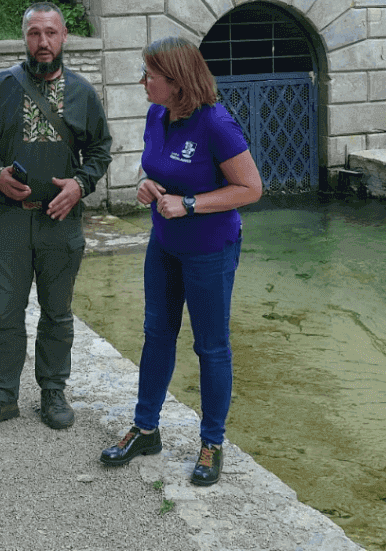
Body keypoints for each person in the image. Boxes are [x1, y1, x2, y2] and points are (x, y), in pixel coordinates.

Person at [99, 37, 262, 486]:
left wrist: (189, 203)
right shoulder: (157, 113)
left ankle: (211, 443)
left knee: (210, 347)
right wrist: (147, 185)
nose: (143, 80)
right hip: (165, 244)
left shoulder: (217, 123)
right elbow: (152, 167)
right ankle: (146, 429)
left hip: (210, 248)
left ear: (177, 81)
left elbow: (250, 189)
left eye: (151, 74)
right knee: (156, 335)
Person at [0, 2, 113, 435]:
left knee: (58, 313)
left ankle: (52, 391)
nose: (42, 42)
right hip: (8, 220)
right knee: (5, 313)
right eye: (34, 33)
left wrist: (79, 185)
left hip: (60, 221)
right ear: (23, 37)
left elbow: (100, 150)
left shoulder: (83, 92)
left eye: (50, 33)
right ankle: (2, 396)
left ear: (64, 36)